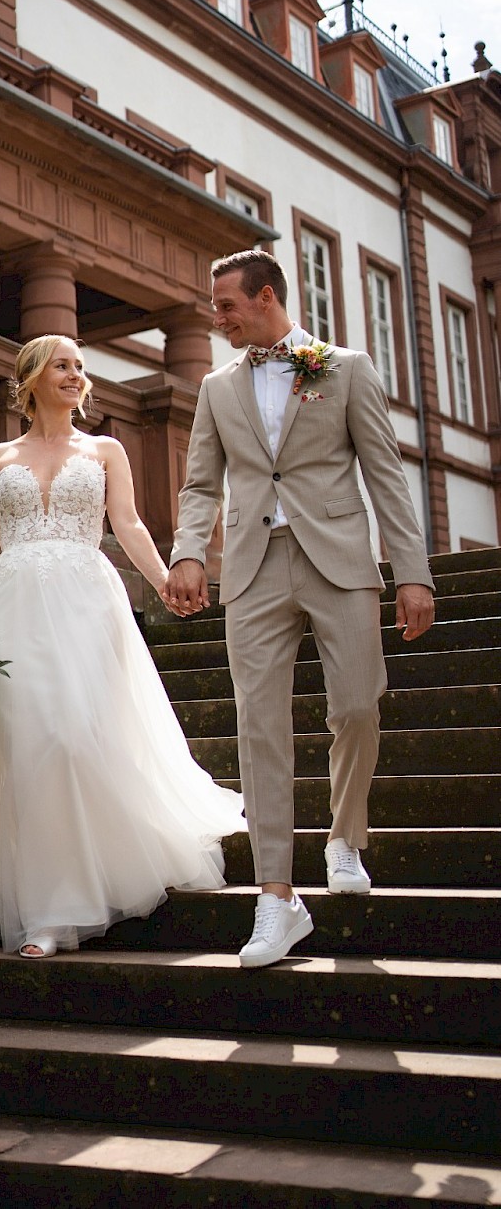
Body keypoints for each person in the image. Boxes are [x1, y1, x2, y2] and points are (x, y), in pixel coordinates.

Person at [165, 249, 435, 968]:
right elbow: (199, 485)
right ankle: (276, 896)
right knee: (259, 726)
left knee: (356, 707)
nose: (215, 319)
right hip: (253, 569)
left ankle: (345, 835)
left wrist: (413, 573)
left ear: (267, 297)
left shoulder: (344, 368)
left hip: (339, 557)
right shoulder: (218, 388)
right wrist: (189, 551)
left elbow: (385, 474)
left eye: (225, 306)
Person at [0, 334, 246, 958]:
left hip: (88, 602)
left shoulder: (107, 450)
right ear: (32, 376)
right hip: (11, 607)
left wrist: (165, 578)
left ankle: (102, 870)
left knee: (75, 733)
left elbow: (129, 523)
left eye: (79, 367)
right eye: (62, 365)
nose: (74, 375)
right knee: (31, 740)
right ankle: (49, 914)